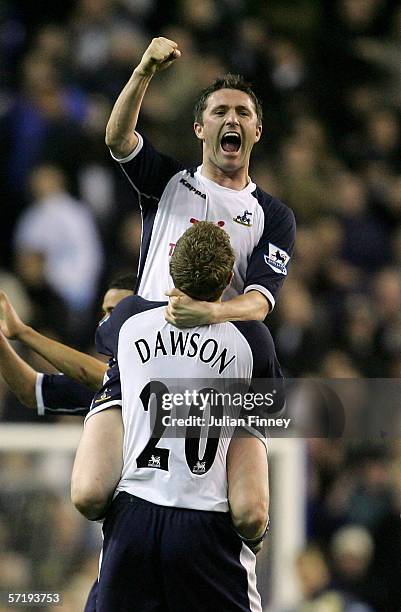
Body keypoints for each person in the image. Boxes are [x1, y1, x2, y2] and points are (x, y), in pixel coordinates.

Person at [72, 222, 284, 612]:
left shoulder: (128, 318)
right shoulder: (253, 341)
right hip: (207, 526)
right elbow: (251, 506)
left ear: (172, 266)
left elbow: (102, 368)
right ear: (226, 279)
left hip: (133, 517)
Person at [105, 36, 296, 328]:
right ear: (199, 129)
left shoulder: (273, 215)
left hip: (214, 354)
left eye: (242, 113)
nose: (231, 119)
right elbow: (118, 140)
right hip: (147, 341)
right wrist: (143, 71)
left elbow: (259, 302)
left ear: (256, 131)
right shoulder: (167, 181)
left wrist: (209, 314)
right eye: (220, 112)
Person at [0, 274, 135, 416]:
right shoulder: (106, 385)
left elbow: (105, 378)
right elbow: (32, 390)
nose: (104, 321)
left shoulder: (154, 366)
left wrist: (23, 332)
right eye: (104, 312)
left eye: (114, 311)